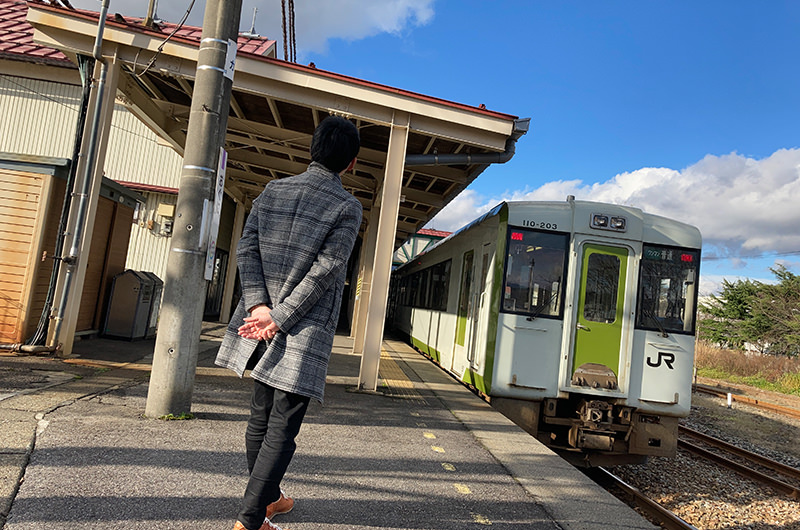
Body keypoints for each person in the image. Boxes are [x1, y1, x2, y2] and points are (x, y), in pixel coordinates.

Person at [215, 115, 363, 530]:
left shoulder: (272, 191)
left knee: (260, 416)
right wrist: (280, 318)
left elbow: (247, 249)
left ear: (312, 148)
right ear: (351, 163)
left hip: (259, 320)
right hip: (303, 328)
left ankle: (271, 500)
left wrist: (261, 306)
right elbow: (326, 270)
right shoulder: (346, 206)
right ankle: (249, 520)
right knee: (282, 424)